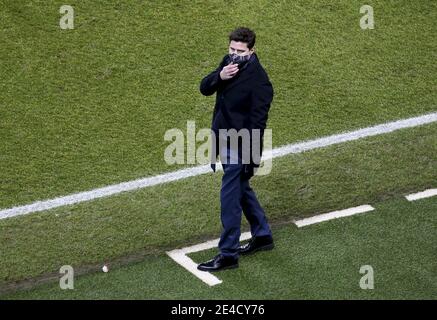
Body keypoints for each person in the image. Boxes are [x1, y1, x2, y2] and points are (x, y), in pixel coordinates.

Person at [197, 27, 274, 272]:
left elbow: (258, 123)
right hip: (223, 137)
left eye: (240, 51)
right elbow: (205, 88)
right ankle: (262, 234)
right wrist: (220, 76)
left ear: (251, 51)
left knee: (229, 198)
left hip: (241, 146)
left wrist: (252, 156)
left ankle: (228, 253)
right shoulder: (228, 63)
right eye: (231, 49)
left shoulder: (260, 81)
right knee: (241, 189)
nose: (234, 55)